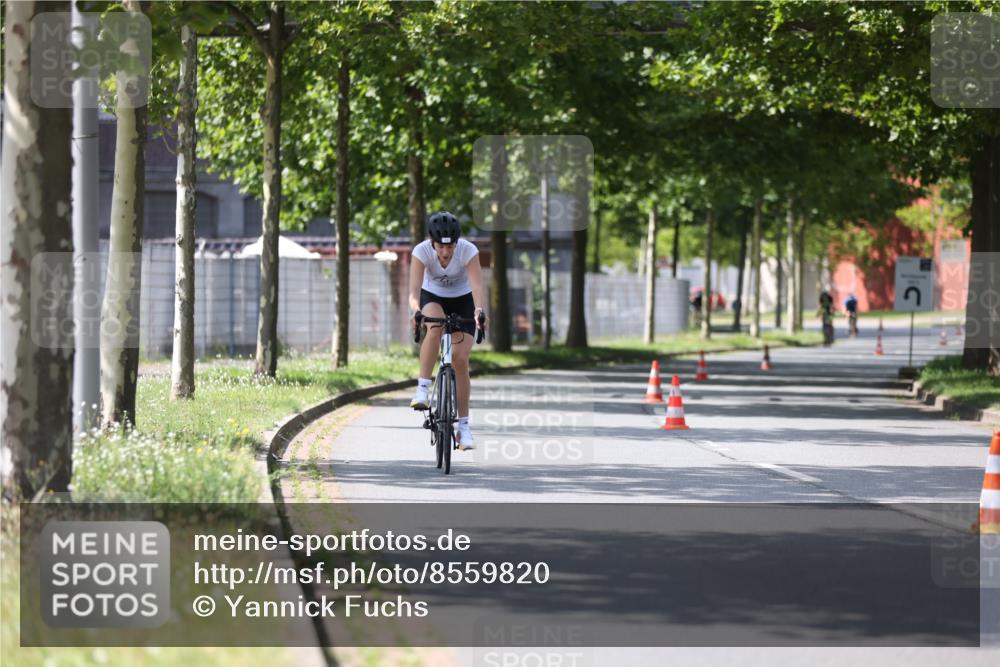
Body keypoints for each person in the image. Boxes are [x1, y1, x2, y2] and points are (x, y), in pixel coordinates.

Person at [408, 211, 488, 450]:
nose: (445, 253)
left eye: (450, 246)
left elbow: (476, 285)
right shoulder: (421, 251)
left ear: (456, 243)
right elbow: (414, 292)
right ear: (432, 243)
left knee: (460, 359)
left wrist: (479, 311)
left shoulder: (468, 251)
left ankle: (464, 427)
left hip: (463, 299)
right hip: (432, 296)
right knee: (435, 326)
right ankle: (422, 388)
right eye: (440, 247)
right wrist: (415, 311)